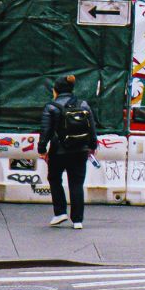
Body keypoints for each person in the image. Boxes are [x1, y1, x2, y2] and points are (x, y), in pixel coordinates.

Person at [39, 75, 98, 230]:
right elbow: (92, 128)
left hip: (58, 151)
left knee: (54, 178)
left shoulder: (51, 107)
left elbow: (45, 131)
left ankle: (60, 212)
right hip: (80, 150)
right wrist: (92, 146)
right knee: (76, 183)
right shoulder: (83, 104)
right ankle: (77, 220)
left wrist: (42, 149)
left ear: (55, 90)